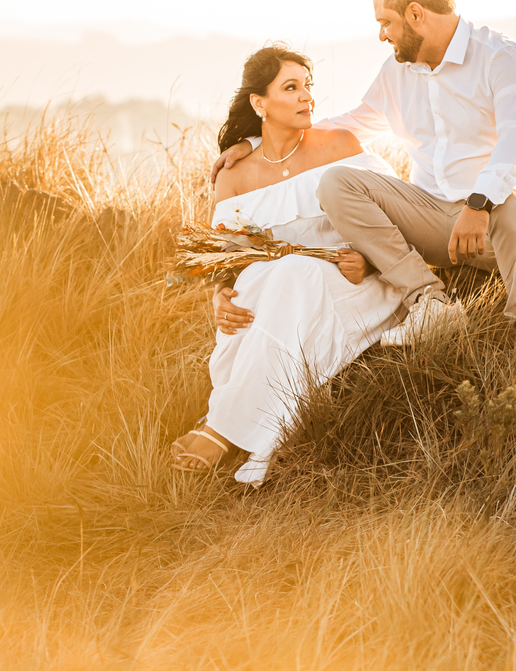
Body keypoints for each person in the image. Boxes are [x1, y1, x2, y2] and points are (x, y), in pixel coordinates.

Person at [213, 0, 516, 369]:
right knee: (338, 183)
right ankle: (430, 302)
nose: (382, 35)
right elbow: (347, 125)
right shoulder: (396, 73)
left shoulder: (501, 57)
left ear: (416, 14)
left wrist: (478, 204)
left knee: (514, 199)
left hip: (505, 221)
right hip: (436, 221)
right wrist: (255, 140)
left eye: (387, 23)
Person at [170, 45, 405, 483]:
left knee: (291, 273)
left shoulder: (340, 146)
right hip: (284, 291)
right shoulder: (235, 173)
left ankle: (221, 427)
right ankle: (242, 427)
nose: (307, 97)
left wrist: (371, 261)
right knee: (267, 277)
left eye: (308, 86)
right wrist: (219, 295)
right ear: (259, 103)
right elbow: (230, 258)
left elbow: (398, 215)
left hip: (352, 288)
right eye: (291, 87)